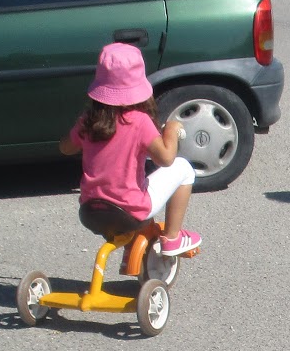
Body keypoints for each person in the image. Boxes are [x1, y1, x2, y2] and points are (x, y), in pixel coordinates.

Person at [59, 42, 200, 261]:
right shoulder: (139, 121)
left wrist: (81, 133)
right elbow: (165, 159)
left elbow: (65, 148)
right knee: (183, 169)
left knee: (138, 185)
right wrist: (171, 131)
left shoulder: (88, 121)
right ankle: (172, 237)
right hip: (129, 211)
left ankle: (131, 249)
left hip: (90, 211)